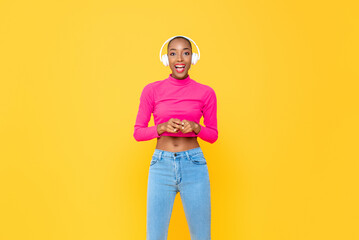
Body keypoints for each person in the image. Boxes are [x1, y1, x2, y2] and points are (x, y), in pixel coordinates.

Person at [133, 35, 218, 240]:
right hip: (161, 166)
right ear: (166, 59)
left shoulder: (206, 93)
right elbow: (138, 132)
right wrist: (160, 128)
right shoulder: (151, 90)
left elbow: (213, 135)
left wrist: (197, 127)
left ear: (192, 58)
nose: (179, 58)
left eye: (185, 53)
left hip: (194, 165)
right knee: (155, 236)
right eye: (173, 53)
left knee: (201, 236)